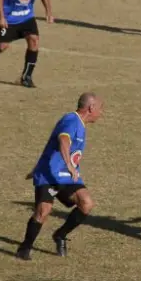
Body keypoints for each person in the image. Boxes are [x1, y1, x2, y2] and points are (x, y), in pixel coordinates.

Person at [16, 93, 104, 260]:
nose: (102, 112)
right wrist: (70, 165)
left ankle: (60, 235)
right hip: (50, 175)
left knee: (86, 204)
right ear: (91, 108)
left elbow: (50, 146)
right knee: (43, 211)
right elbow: (63, 140)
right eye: (101, 108)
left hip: (66, 176)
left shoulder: (80, 124)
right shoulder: (71, 120)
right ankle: (25, 248)